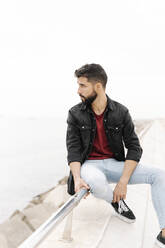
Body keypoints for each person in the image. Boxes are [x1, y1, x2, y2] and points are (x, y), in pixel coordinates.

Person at [66, 63, 165, 247]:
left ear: (97, 86)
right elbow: (73, 150)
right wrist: (78, 178)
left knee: (159, 175)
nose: (78, 90)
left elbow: (134, 147)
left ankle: (164, 233)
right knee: (95, 182)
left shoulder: (120, 111)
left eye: (82, 85)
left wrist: (123, 181)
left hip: (115, 164)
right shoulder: (75, 113)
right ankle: (115, 202)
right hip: (90, 165)